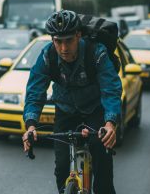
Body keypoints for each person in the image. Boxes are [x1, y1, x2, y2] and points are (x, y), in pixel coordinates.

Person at [22, 10, 122, 194]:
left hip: (95, 110)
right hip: (65, 110)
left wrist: (110, 124)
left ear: (78, 35)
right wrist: (30, 126)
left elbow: (111, 89)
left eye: (68, 40)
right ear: (52, 40)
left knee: (102, 168)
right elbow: (35, 91)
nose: (63, 48)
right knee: (61, 168)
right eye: (58, 41)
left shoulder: (96, 52)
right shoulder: (47, 55)